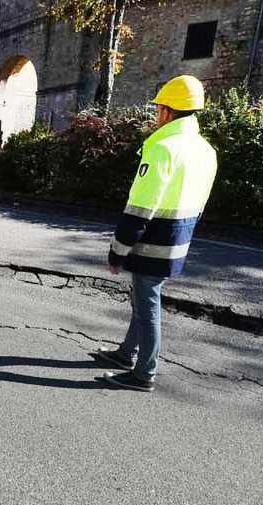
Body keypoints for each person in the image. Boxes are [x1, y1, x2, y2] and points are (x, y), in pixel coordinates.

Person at [95, 75, 218, 392]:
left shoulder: (163, 148)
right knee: (142, 299)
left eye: (158, 108)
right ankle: (126, 354)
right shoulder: (206, 151)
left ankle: (143, 373)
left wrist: (118, 251)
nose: (156, 114)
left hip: (152, 241)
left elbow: (140, 207)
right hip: (179, 238)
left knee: (147, 306)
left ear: (167, 111)